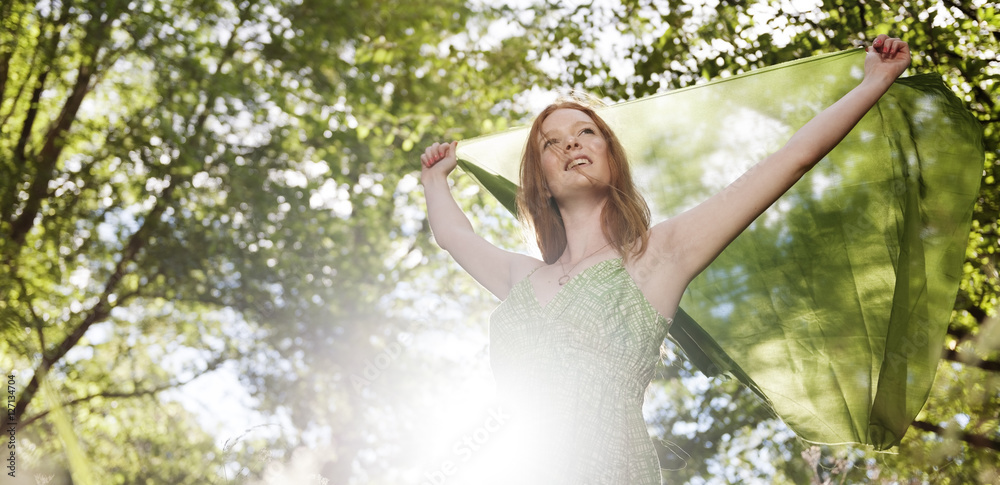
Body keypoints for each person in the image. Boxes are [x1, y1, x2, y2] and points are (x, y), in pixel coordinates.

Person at [419, 35, 910, 484]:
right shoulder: (520, 277)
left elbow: (791, 159)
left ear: (612, 156)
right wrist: (435, 178)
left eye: (586, 132)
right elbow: (452, 236)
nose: (569, 142)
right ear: (541, 181)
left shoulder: (657, 257)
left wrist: (875, 81)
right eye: (550, 142)